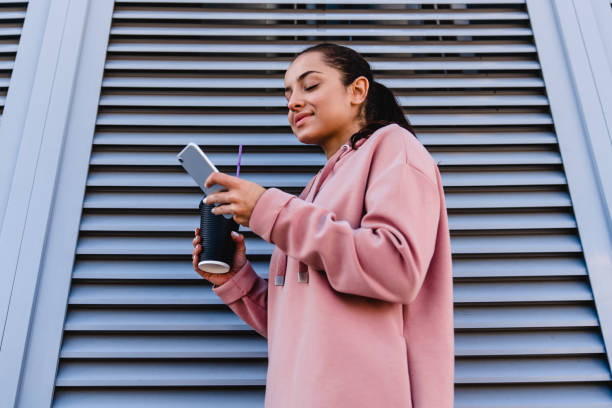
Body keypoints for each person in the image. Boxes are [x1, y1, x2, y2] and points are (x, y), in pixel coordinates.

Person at [192, 42, 454, 407]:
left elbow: (396, 268)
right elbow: (299, 326)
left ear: (357, 91)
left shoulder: (395, 147)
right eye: (288, 93)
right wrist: (237, 278)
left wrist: (271, 209)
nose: (293, 102)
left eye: (310, 86)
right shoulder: (315, 190)